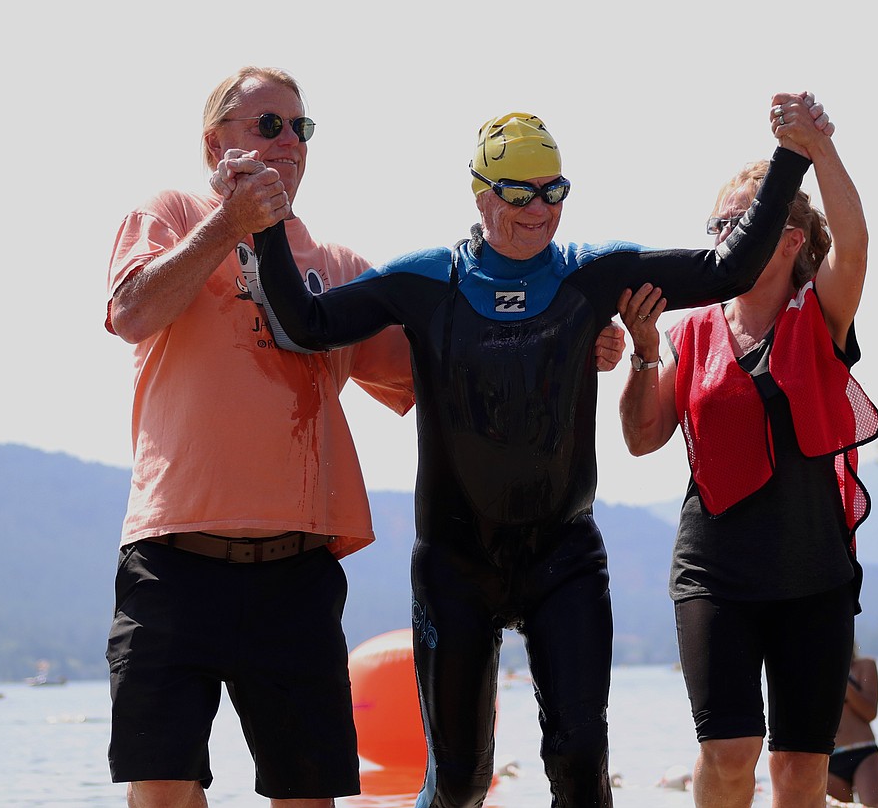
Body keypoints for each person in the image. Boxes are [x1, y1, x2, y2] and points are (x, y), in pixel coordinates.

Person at [228, 102, 816, 808]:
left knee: (577, 761)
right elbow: (309, 322)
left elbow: (728, 269)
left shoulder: (590, 273)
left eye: (554, 190)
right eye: (520, 193)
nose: (540, 209)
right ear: (482, 195)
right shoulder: (427, 280)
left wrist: (791, 155)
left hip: (562, 556)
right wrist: (265, 227)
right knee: (460, 781)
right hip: (455, 563)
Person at [103, 66, 421, 808]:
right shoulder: (172, 212)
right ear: (217, 143)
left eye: (299, 128)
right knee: (159, 793)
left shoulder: (336, 269)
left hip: (294, 573)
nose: (289, 141)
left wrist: (568, 336)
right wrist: (228, 225)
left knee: (306, 797)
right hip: (172, 560)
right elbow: (132, 313)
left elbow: (428, 376)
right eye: (267, 124)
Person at [616, 93, 878, 808]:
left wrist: (818, 149)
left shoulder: (821, 312)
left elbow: (854, 246)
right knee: (730, 751)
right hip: (716, 572)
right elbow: (641, 439)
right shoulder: (691, 328)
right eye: (718, 226)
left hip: (814, 573)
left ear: (789, 239)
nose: (723, 238)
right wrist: (644, 351)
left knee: (799, 772)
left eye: (739, 223)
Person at [828, 648, 878, 807]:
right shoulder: (813, 670)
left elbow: (870, 713)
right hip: (829, 757)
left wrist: (840, 677)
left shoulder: (866, 665)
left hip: (863, 753)